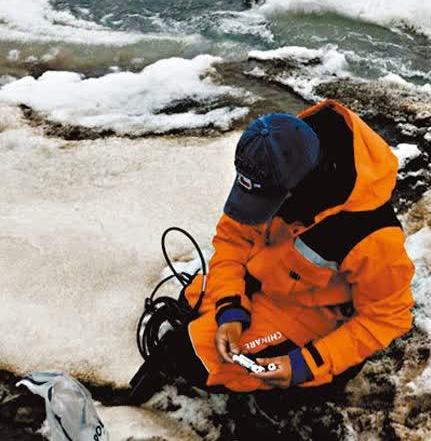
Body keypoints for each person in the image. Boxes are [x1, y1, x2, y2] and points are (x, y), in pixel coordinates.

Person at [132, 100, 415, 398]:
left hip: (312, 315)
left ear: (303, 187)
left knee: (197, 362)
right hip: (264, 284)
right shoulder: (275, 160)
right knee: (189, 316)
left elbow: (388, 316)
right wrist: (229, 308)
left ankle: (310, 383)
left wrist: (307, 364)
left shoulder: (373, 234)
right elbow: (232, 240)